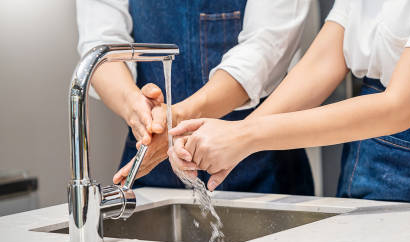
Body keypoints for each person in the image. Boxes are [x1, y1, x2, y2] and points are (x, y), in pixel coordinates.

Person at [168, 0, 410, 203]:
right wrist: (240, 136)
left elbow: (402, 106)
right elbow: (323, 63)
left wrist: (245, 138)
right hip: (362, 160)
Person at [76, 0, 315, 195]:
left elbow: (266, 47)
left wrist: (177, 118)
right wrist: (136, 108)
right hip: (152, 165)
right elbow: (101, 44)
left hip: (261, 168)